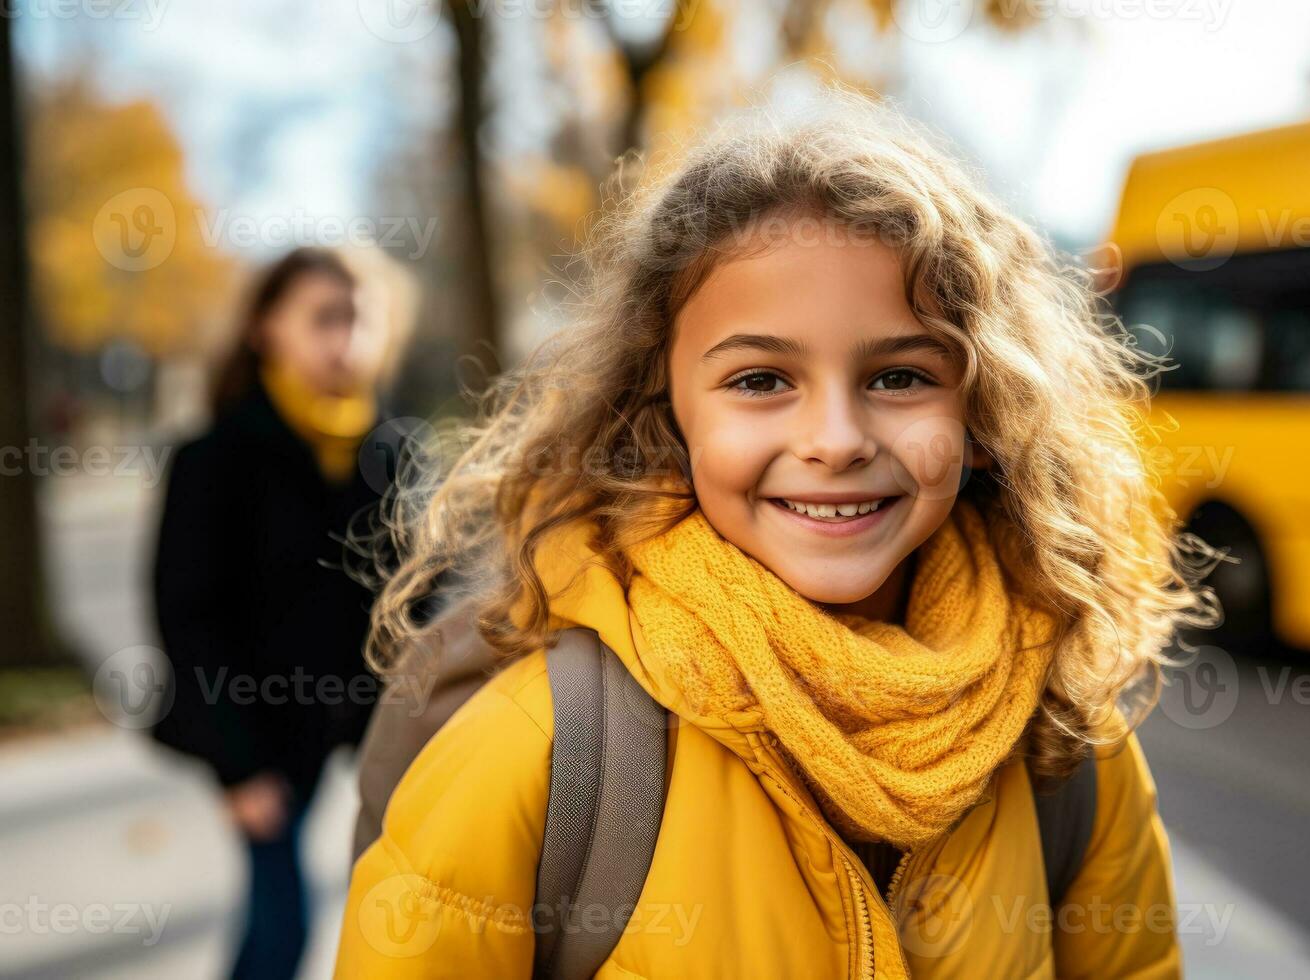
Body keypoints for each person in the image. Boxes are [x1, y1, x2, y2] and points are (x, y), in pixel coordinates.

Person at [336, 91, 1216, 978]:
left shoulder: (1065, 742)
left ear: (984, 409)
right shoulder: (552, 747)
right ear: (663, 413)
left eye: (901, 376)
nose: (835, 440)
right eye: (760, 381)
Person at [151, 245, 415, 980]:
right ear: (265, 328)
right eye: (324, 318)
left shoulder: (395, 453)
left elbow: (431, 595)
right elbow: (188, 620)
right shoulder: (214, 458)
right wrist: (240, 768)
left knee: (410, 917)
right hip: (263, 734)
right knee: (282, 926)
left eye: (360, 318)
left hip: (380, 725)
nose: (346, 340)